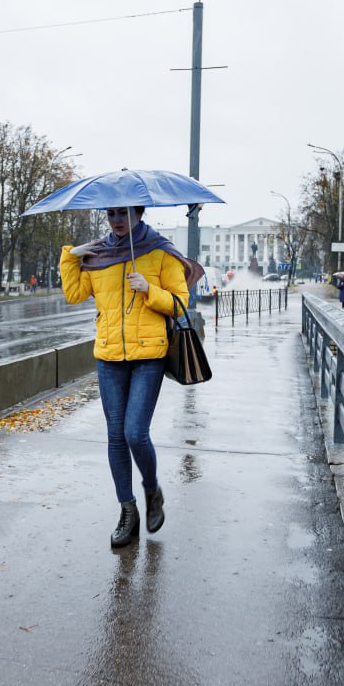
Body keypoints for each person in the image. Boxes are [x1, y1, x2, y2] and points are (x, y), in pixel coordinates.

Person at [60, 206, 200, 548]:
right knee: (115, 437)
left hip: (148, 354)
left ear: (138, 213)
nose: (116, 220)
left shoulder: (159, 251)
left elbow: (181, 302)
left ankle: (152, 490)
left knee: (135, 433)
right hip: (109, 356)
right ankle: (127, 511)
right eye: (111, 214)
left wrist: (148, 289)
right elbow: (74, 294)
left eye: (123, 213)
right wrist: (70, 257)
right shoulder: (99, 254)